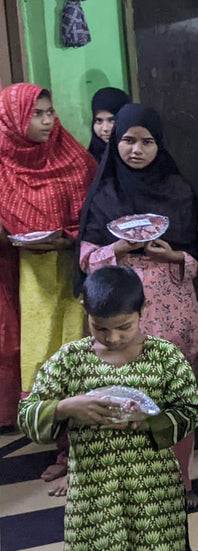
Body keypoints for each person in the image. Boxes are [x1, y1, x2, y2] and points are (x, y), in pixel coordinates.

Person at [17, 266, 198, 551]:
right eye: (100, 328)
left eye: (124, 327)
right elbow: (27, 416)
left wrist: (147, 421)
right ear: (85, 312)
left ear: (143, 309)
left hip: (154, 492)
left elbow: (192, 411)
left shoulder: (166, 357)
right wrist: (65, 407)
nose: (113, 337)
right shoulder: (69, 360)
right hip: (94, 494)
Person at [78, 103, 198, 508]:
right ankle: (133, 483)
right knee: (126, 393)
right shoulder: (104, 192)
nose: (137, 150)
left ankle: (181, 480)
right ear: (116, 142)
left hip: (174, 307)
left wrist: (173, 256)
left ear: (159, 144)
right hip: (120, 308)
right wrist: (118, 248)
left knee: (177, 393)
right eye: (128, 140)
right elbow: (84, 256)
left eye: (147, 141)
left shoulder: (179, 189)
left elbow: (197, 256)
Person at [0, 83, 96, 482]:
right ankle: (58, 441)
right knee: (41, 358)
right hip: (29, 280)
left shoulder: (75, 158)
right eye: (35, 114)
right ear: (11, 120)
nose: (46, 120)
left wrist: (70, 237)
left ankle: (82, 451)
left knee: (78, 355)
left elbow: (97, 212)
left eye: (49, 112)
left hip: (74, 273)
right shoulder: (4, 164)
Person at [87, 86, 130, 162]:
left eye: (112, 120)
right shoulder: (89, 160)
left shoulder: (137, 156)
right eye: (99, 120)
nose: (105, 129)